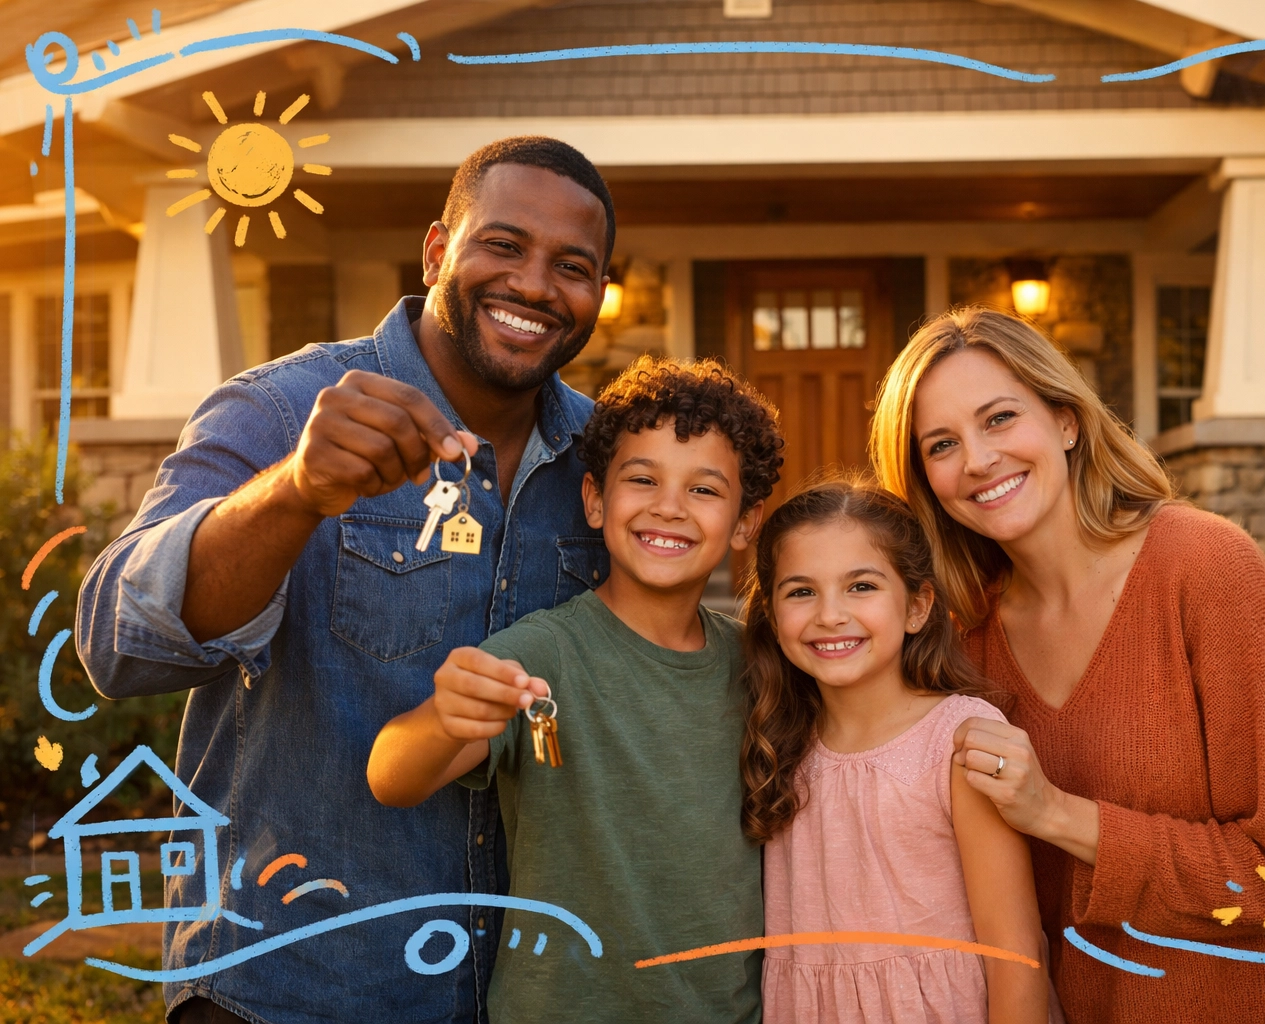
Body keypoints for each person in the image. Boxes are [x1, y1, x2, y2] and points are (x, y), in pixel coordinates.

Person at [76, 136, 618, 1024]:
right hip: (291, 989)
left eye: (573, 265)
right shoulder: (283, 411)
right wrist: (295, 491)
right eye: (504, 245)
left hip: (524, 995)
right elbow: (114, 642)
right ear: (438, 249)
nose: (533, 285)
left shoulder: (606, 460)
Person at [868, 306, 1265, 1023]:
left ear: (1066, 421)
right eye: (941, 444)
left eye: (999, 418)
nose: (976, 459)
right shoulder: (968, 641)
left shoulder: (1206, 569)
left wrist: (1058, 814)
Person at [368, 357, 784, 1023]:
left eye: (704, 491)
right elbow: (393, 775)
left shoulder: (759, 663)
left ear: (745, 521)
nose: (668, 507)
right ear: (595, 498)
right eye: (642, 479)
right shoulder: (544, 654)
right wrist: (447, 717)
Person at [740, 478, 1061, 1024]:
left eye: (861, 586)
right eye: (801, 591)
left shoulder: (959, 741)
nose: (830, 615)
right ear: (771, 616)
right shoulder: (777, 740)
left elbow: (1016, 952)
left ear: (917, 607)